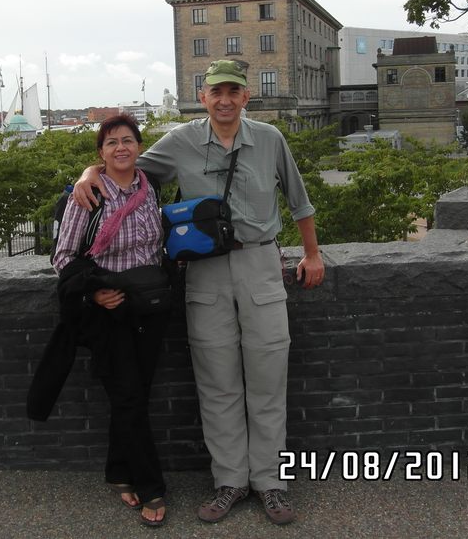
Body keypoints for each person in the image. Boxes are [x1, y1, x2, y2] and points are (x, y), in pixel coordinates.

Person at [73, 60, 324, 526]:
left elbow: (299, 200)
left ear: (246, 96)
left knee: (268, 380)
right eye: (216, 92)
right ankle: (230, 481)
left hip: (260, 264)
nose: (224, 100)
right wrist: (89, 172)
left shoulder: (270, 139)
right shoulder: (181, 140)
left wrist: (311, 254)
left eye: (233, 91)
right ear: (203, 97)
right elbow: (125, 167)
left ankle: (270, 482)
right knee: (216, 385)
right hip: (205, 273)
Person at [52, 113, 169, 528]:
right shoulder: (88, 196)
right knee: (129, 396)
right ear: (100, 153)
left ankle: (119, 471)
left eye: (128, 140)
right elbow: (63, 257)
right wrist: (93, 293)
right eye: (111, 142)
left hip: (149, 308)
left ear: (139, 146)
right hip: (110, 311)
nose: (121, 148)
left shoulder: (150, 188)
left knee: (136, 394)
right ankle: (151, 486)